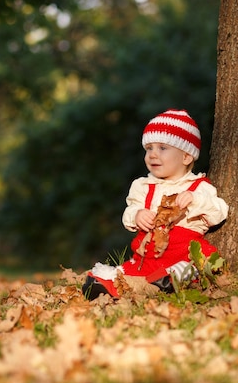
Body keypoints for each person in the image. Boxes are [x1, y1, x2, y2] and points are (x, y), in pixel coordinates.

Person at [82, 109, 229, 299]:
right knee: (127, 274)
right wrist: (137, 214)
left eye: (162, 148)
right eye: (149, 148)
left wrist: (195, 200)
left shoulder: (198, 187)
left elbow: (219, 211)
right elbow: (130, 210)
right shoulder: (143, 186)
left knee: (193, 265)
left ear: (186, 157)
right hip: (149, 256)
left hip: (182, 253)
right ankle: (111, 286)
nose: (152, 154)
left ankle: (171, 281)